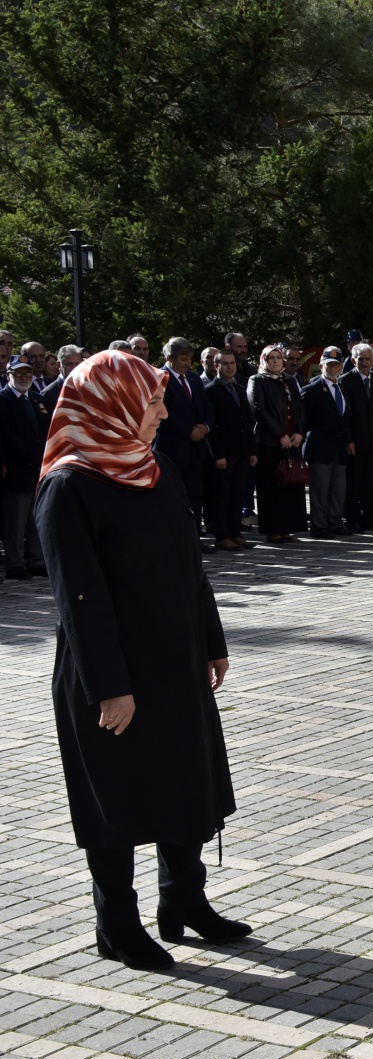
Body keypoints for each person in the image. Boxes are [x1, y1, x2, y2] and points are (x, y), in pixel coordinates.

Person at [35, 350, 249, 972]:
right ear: (114, 406)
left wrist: (211, 640)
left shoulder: (154, 469)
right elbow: (79, 599)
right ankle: (117, 924)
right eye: (151, 402)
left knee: (186, 779)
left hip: (175, 658)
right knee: (118, 798)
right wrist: (110, 686)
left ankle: (184, 902)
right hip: (114, 673)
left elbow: (190, 563)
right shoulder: (69, 485)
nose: (161, 412)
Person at [153, 337, 217, 551]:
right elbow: (163, 413)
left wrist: (205, 428)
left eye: (190, 359)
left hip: (196, 449)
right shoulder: (159, 379)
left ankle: (193, 539)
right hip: (172, 448)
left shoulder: (194, 379)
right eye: (183, 359)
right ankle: (173, 540)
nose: (187, 363)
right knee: (173, 497)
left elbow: (208, 407)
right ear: (169, 358)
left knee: (194, 496)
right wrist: (187, 430)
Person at [247, 345, 306, 543]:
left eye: (278, 358)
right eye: (271, 357)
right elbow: (259, 410)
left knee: (290, 485)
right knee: (271, 488)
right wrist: (280, 434)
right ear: (264, 360)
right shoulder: (257, 380)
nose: (275, 361)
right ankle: (273, 529)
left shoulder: (289, 380)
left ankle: (287, 527)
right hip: (270, 443)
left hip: (293, 442)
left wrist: (299, 433)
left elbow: (299, 408)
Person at [0, 358, 50, 579]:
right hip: (15, 468)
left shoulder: (37, 400)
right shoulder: (3, 400)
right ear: (9, 375)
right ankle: (15, 563)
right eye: (18, 374)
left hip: (37, 468)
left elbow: (45, 430)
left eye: (27, 374)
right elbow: (6, 435)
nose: (23, 378)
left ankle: (36, 560)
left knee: (34, 518)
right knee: (15, 521)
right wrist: (31, 454)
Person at [204, 353, 255, 550]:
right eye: (225, 364)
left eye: (232, 363)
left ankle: (235, 532)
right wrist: (218, 454)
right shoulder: (210, 391)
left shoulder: (240, 389)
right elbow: (213, 426)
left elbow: (247, 423)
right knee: (221, 494)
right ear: (216, 366)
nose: (229, 367)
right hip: (223, 453)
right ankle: (222, 534)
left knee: (238, 493)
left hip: (241, 451)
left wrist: (252, 450)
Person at [301, 349, 351, 537]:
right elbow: (304, 420)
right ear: (321, 366)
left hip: (338, 447)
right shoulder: (311, 389)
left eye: (336, 364)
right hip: (319, 447)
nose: (332, 368)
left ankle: (335, 522)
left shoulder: (341, 388)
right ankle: (319, 525)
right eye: (328, 364)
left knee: (338, 489)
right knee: (320, 490)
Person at [340, 343, 373, 531]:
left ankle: (370, 518)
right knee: (354, 482)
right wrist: (348, 439)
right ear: (353, 360)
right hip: (356, 443)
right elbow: (345, 415)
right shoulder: (345, 381)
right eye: (361, 359)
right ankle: (352, 519)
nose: (365, 362)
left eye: (368, 359)